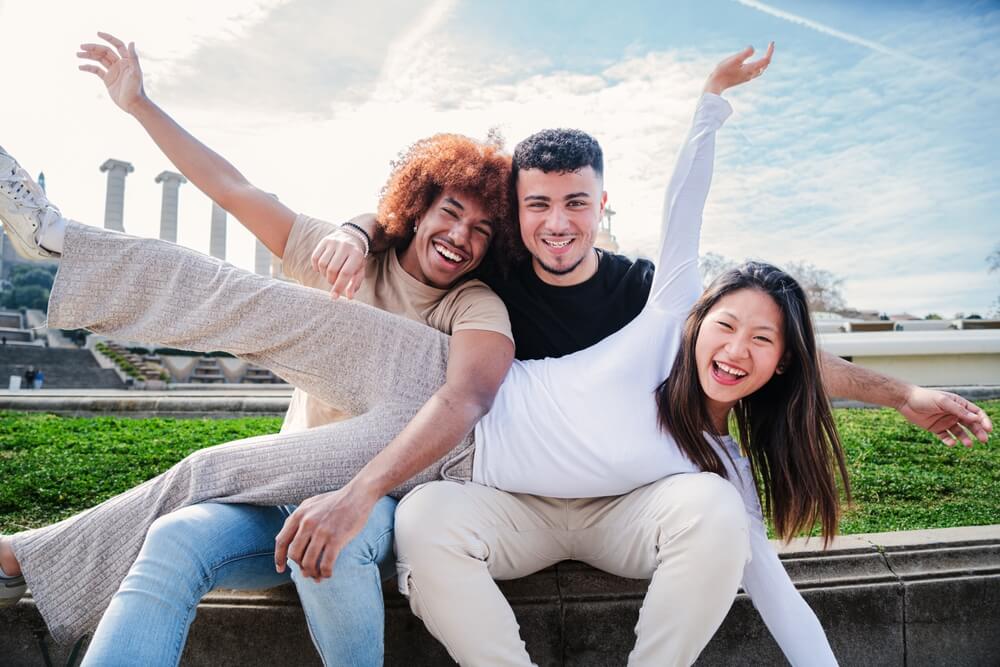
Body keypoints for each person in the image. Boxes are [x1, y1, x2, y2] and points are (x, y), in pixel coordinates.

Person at [0, 40, 991, 666]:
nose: (478, 235)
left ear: (597, 209)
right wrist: (146, 110)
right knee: (228, 399)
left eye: (562, 208)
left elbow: (758, 348)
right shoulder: (420, 258)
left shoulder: (572, 301)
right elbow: (262, 195)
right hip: (369, 437)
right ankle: (55, 251)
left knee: (269, 483)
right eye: (522, 208)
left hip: (431, 461)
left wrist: (897, 391)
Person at [0, 32, 517, 667]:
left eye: (481, 231)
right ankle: (23, 558)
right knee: (175, 537)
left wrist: (355, 495)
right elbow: (233, 190)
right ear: (418, 207)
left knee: (290, 505)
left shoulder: (474, 305)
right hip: (278, 491)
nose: (460, 237)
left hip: (382, 507)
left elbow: (469, 395)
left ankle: (62, 242)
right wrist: (140, 105)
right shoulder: (341, 254)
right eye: (451, 213)